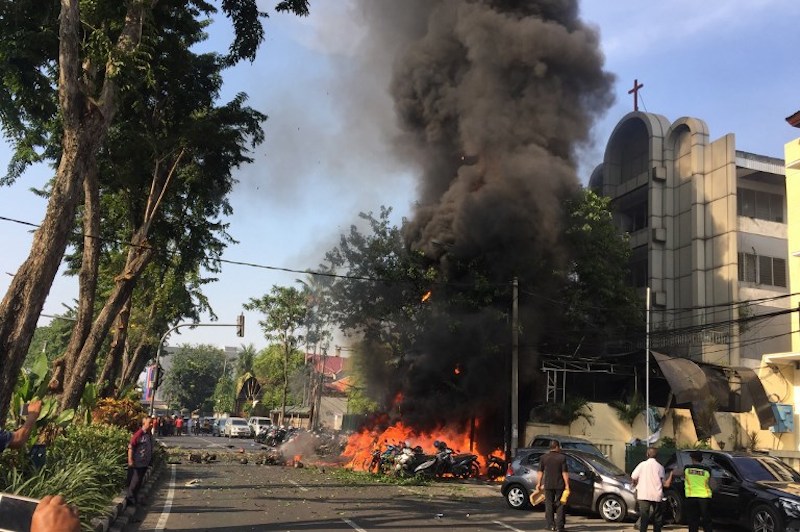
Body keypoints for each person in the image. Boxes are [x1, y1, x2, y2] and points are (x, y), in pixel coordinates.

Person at [631, 447, 672, 532]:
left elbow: (634, 476)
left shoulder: (642, 465)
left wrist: (635, 483)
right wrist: (671, 474)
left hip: (643, 494)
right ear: (657, 456)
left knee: (644, 518)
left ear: (647, 454)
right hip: (656, 495)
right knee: (657, 518)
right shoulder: (660, 467)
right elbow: (664, 483)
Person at [536, 440, 570, 532]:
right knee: (560, 505)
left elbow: (540, 471)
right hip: (559, 484)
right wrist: (567, 485)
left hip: (548, 484)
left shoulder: (543, 458)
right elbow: (564, 473)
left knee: (549, 505)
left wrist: (538, 483)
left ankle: (550, 525)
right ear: (557, 447)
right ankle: (560, 526)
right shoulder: (562, 458)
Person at [126, 416, 153, 507]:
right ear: (144, 424)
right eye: (150, 423)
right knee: (135, 481)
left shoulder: (148, 434)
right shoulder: (139, 434)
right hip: (138, 462)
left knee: (139, 482)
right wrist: (130, 460)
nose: (152, 425)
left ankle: (135, 498)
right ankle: (130, 499)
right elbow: (131, 447)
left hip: (144, 463)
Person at [683, 451, 713, 532]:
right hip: (704, 498)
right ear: (701, 459)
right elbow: (713, 484)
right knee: (706, 521)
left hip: (691, 497)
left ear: (692, 459)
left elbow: (680, 474)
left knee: (693, 521)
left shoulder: (687, 468)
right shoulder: (707, 470)